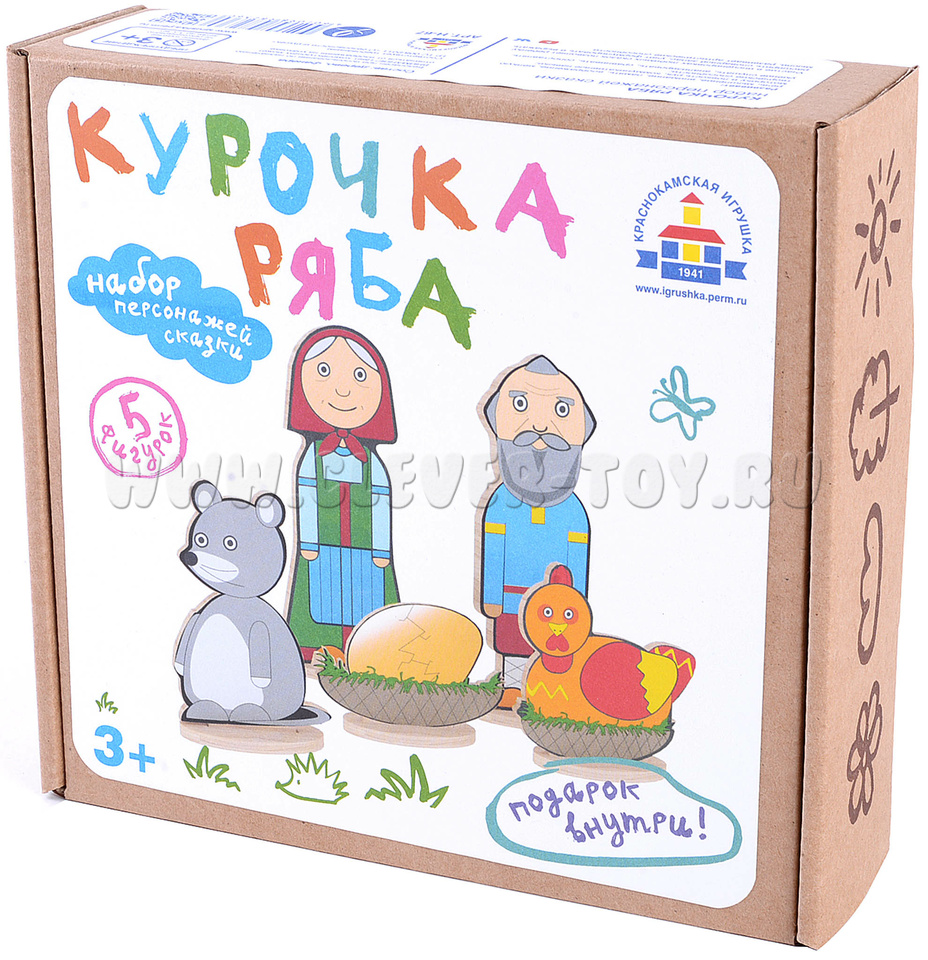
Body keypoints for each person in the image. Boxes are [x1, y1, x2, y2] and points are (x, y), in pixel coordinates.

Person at [477, 356, 596, 709]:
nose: (541, 426)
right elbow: (494, 548)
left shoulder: (573, 514)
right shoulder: (500, 503)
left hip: (558, 607)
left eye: (560, 410)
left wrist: (579, 606)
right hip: (511, 599)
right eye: (521, 405)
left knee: (553, 650)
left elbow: (579, 557)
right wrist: (491, 595)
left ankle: (546, 694)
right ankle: (512, 687)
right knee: (513, 643)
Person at [286, 326, 399, 658]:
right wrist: (309, 543)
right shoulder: (312, 458)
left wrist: (381, 548)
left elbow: (381, 502)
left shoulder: (373, 464)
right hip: (321, 548)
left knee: (368, 603)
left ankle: (370, 651)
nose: (343, 390)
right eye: (323, 370)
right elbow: (307, 496)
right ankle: (316, 645)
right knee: (321, 598)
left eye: (360, 376)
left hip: (367, 552)